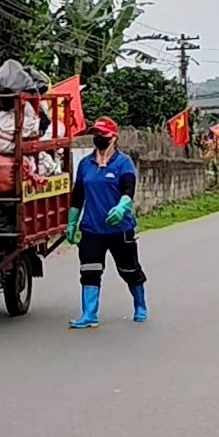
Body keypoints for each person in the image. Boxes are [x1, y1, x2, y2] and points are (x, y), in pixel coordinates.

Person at [65, 117, 147, 328]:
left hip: (119, 228)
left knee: (129, 270)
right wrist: (72, 223)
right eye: (96, 135)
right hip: (92, 229)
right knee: (89, 271)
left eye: (102, 135)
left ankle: (140, 305)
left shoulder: (123, 163)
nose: (98, 138)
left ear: (113, 138)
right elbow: (78, 196)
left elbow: (129, 190)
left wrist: (122, 207)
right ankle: (89, 314)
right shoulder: (85, 165)